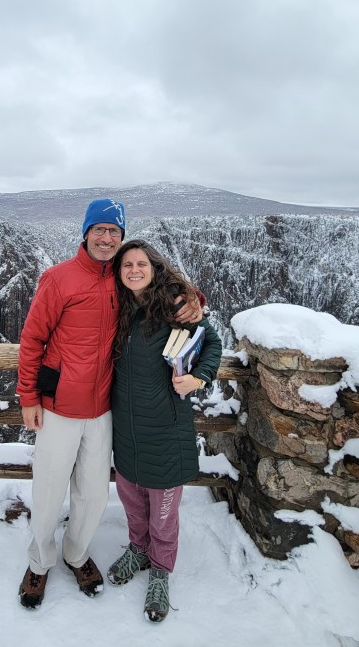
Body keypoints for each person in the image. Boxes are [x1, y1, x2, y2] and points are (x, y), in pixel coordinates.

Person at [16, 200, 201, 610]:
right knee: (48, 491)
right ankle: (39, 562)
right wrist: (28, 396)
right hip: (59, 406)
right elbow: (32, 339)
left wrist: (192, 298)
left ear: (121, 237)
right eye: (99, 230)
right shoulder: (58, 279)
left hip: (103, 408)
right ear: (85, 233)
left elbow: (158, 288)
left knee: (93, 494)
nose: (106, 238)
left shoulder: (121, 279)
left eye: (114, 231)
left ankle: (76, 553)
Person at [106, 240, 222, 624]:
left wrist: (198, 378)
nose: (134, 270)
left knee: (163, 512)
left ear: (154, 267)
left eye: (141, 264)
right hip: (126, 429)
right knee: (132, 500)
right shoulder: (119, 306)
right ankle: (138, 549)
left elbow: (212, 342)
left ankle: (160, 570)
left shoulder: (174, 304)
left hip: (165, 427)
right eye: (127, 265)